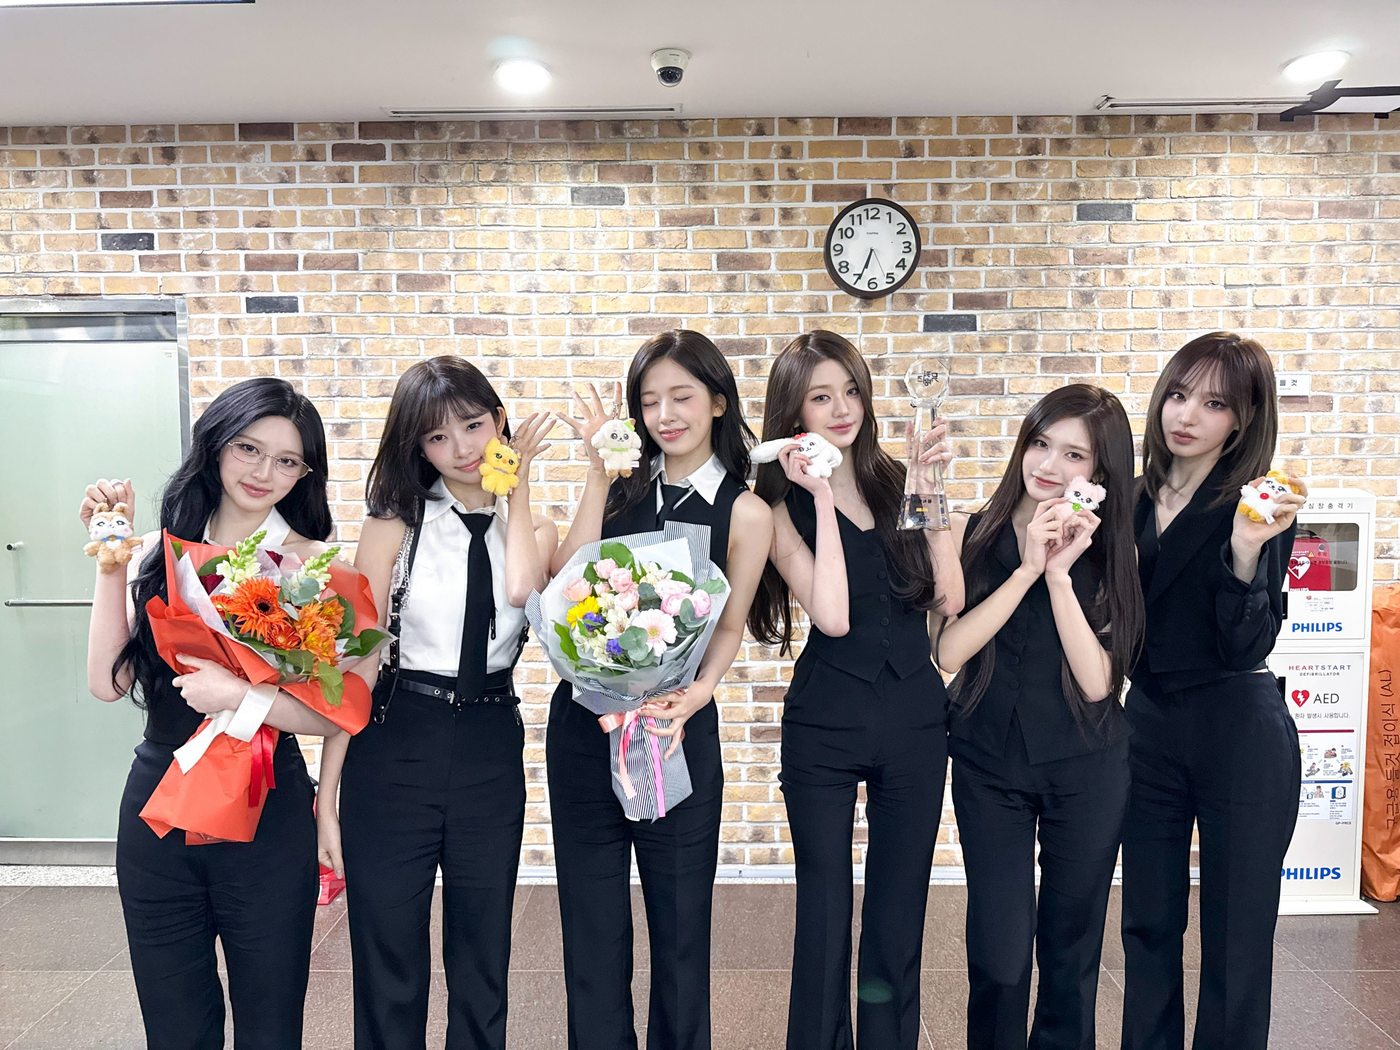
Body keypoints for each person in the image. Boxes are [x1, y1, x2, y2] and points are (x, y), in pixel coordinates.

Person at [83, 377, 345, 1049]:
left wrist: (241, 697)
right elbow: (107, 684)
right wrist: (110, 563)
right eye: (248, 449)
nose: (264, 472)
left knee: (270, 1020)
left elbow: (335, 713)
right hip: (160, 809)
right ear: (215, 445)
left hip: (267, 809)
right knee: (173, 1020)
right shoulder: (154, 553)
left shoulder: (313, 569)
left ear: (305, 473)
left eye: (287, 460)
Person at [315, 356, 556, 1050]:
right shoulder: (393, 525)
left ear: (500, 421)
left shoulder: (535, 532)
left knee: (483, 951)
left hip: (489, 740)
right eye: (438, 437)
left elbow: (522, 591)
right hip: (396, 737)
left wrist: (518, 488)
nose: (462, 449)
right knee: (387, 946)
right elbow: (359, 664)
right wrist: (327, 796)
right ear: (417, 447)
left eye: (474, 426)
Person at [546, 330, 773, 1050]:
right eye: (649, 402)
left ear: (718, 401)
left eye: (682, 397)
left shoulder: (746, 512)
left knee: (680, 930)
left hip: (675, 734)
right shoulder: (620, 487)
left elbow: (730, 623)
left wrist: (700, 692)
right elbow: (564, 581)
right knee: (591, 926)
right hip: (586, 730)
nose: (665, 415)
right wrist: (595, 473)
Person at [747, 329, 963, 1050]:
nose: (842, 409)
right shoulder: (777, 507)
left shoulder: (897, 482)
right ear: (793, 413)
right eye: (821, 397)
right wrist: (818, 493)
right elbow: (833, 616)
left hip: (914, 719)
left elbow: (949, 598)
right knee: (825, 914)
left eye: (851, 391)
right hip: (826, 723)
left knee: (899, 914)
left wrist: (932, 497)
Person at [937, 384, 1144, 1049]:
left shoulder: (1116, 549)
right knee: (998, 954)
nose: (1049, 464)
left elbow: (1098, 684)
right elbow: (948, 652)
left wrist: (1059, 576)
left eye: (1074, 455)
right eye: (1041, 443)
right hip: (987, 761)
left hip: (1087, 765)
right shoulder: (972, 532)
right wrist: (1026, 570)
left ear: (1102, 472)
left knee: (1069, 955)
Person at [1119, 332, 1307, 1050]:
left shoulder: (1258, 505)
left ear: (1244, 417)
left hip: (1239, 727)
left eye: (1214, 403)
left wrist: (1246, 551)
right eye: (1178, 394)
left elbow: (1247, 645)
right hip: (1148, 724)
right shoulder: (1128, 500)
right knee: (1147, 920)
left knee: (1238, 929)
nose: (1187, 414)